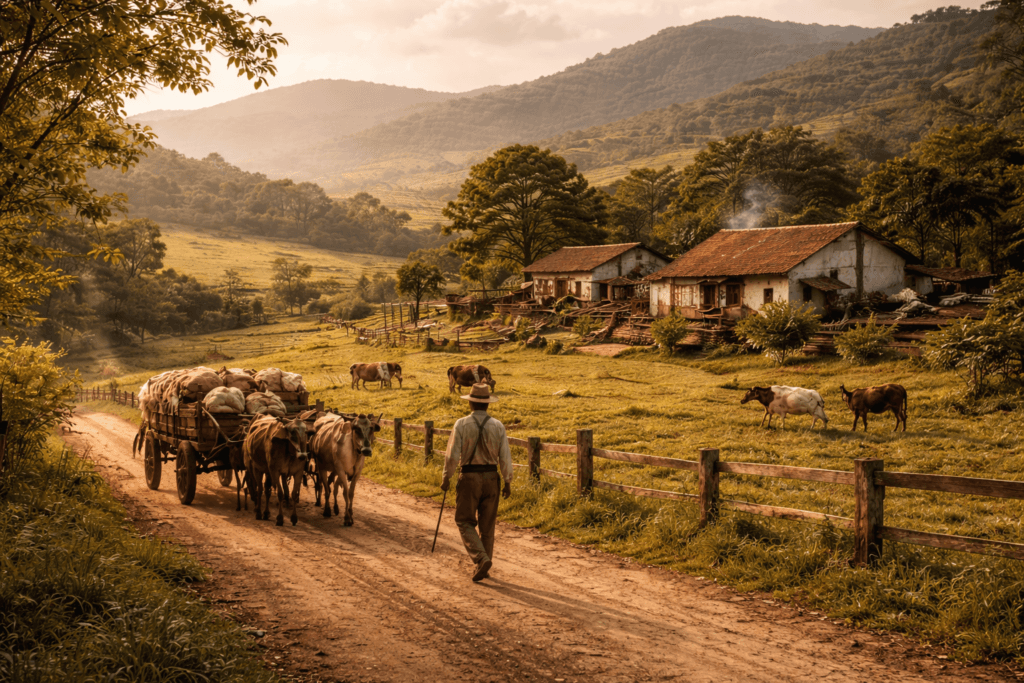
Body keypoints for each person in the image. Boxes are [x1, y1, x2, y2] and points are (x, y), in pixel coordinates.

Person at [441, 382, 513, 582]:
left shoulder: (461, 424)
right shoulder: (498, 425)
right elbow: (505, 456)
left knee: (464, 521)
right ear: (488, 404)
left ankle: (481, 558)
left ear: (471, 404)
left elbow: (453, 455)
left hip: (470, 476)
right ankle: (486, 564)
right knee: (487, 526)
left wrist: (446, 477)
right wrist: (508, 481)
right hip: (491, 477)